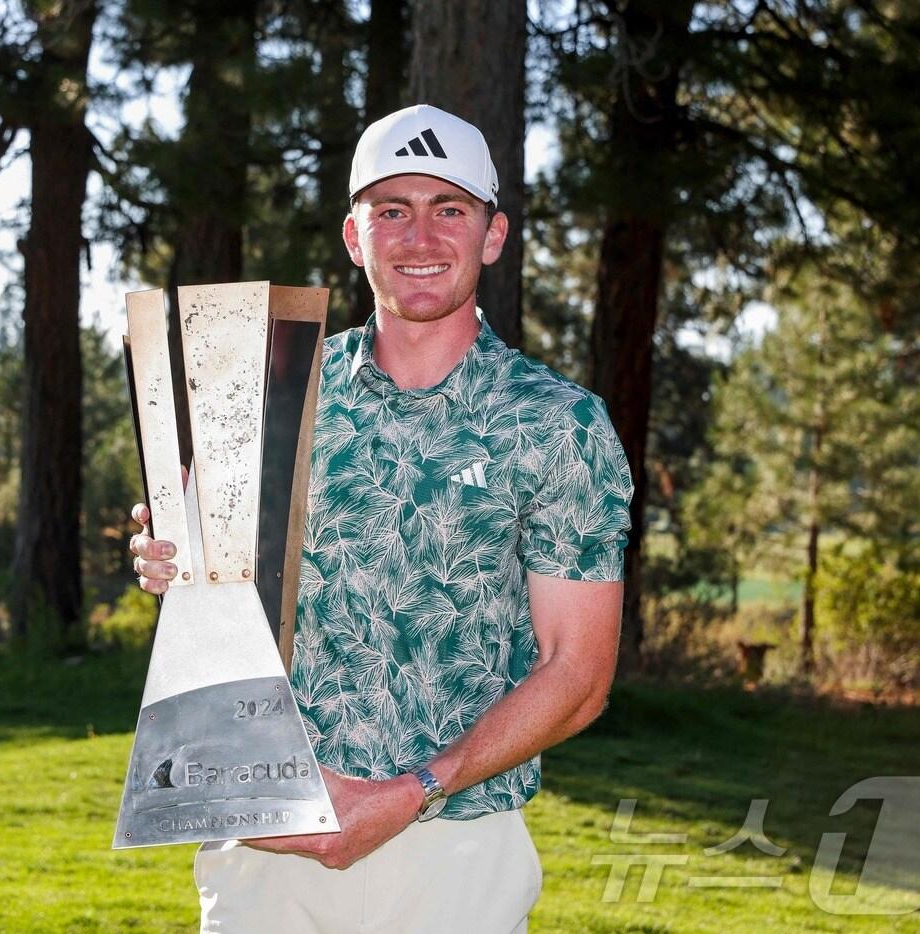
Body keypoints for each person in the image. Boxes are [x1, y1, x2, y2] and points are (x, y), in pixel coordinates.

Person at [129, 104, 634, 933]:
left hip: (454, 849)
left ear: (494, 234)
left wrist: (413, 791)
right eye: (391, 210)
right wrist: (172, 563)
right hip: (268, 841)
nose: (420, 236)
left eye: (450, 209)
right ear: (354, 237)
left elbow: (577, 674)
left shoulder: (556, 424)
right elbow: (220, 595)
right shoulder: (264, 396)